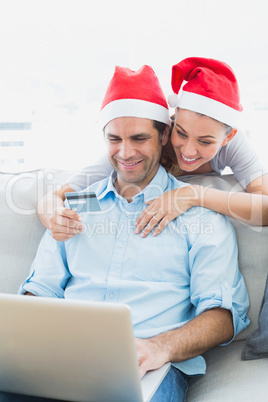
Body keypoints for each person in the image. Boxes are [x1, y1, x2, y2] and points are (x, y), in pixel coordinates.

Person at [1, 65, 249, 402]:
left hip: (150, 369)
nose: (125, 152)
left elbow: (223, 316)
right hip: (63, 362)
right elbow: (39, 291)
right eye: (115, 139)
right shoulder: (72, 210)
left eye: (138, 138)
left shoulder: (202, 217)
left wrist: (160, 347)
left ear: (164, 137)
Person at [36, 57, 268, 242]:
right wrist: (55, 218)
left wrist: (193, 195)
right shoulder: (137, 150)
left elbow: (264, 206)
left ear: (228, 137)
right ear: (169, 126)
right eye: (181, 132)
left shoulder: (232, 146)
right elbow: (61, 197)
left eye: (205, 142)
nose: (188, 150)